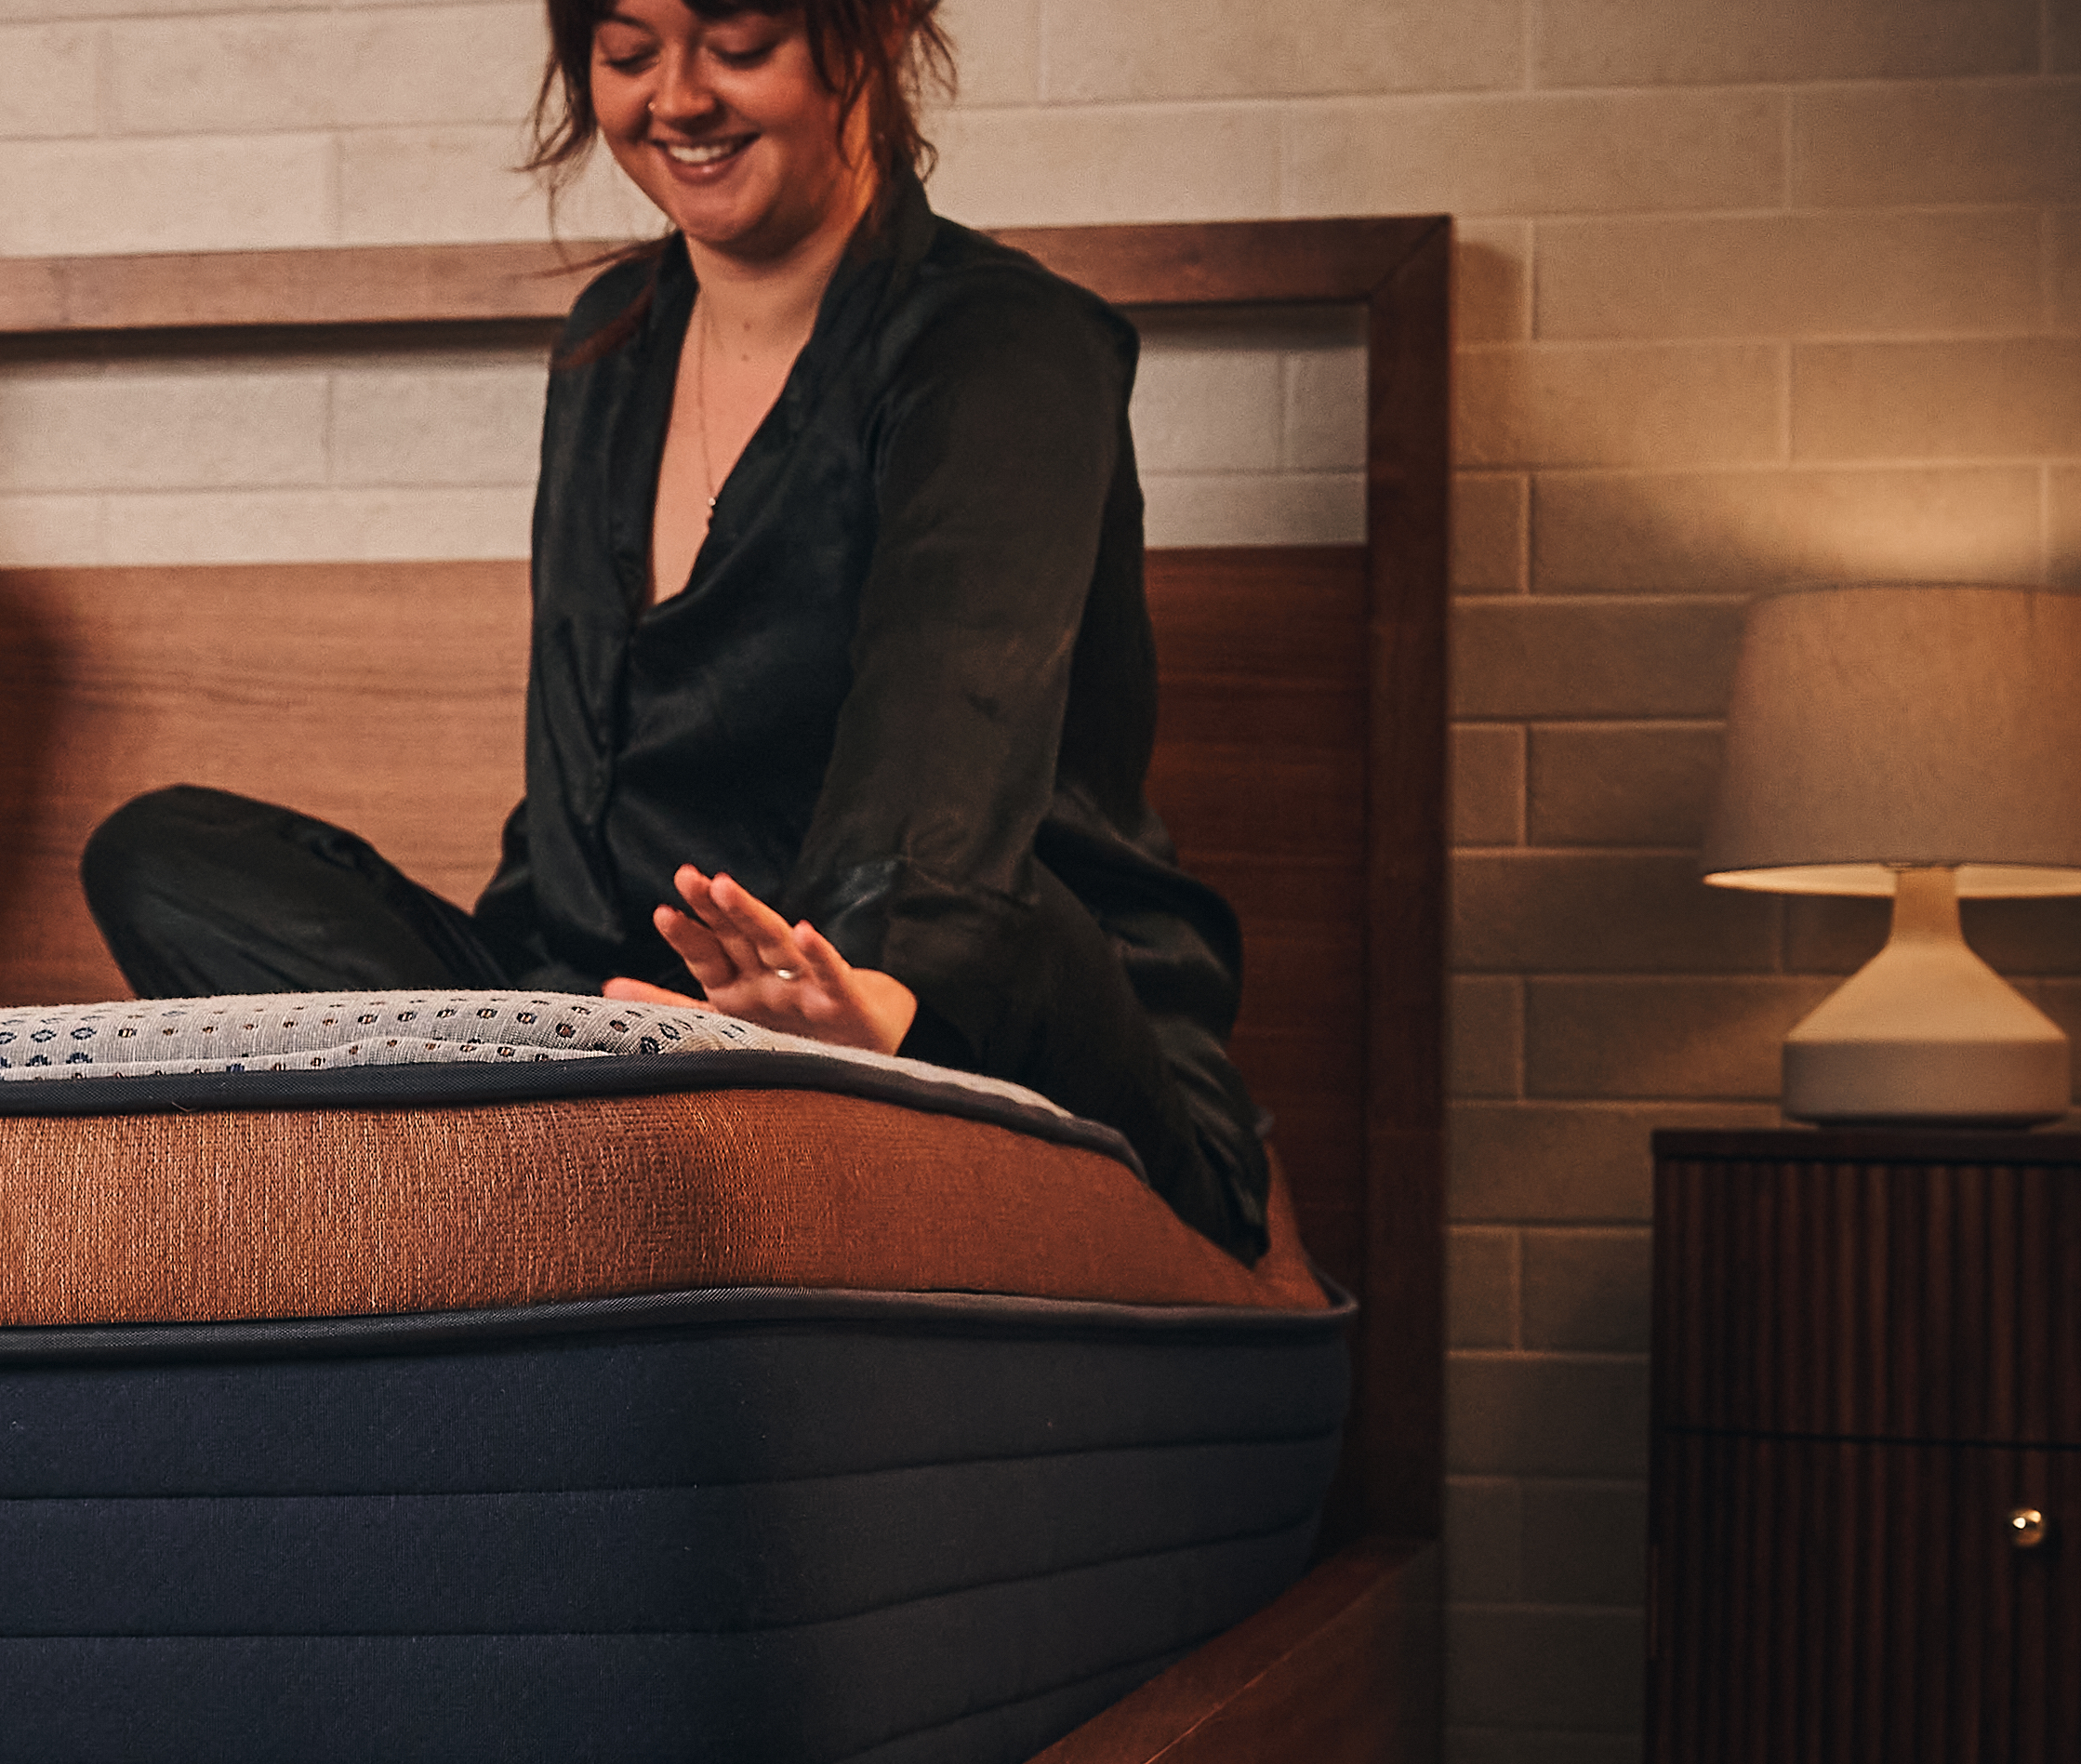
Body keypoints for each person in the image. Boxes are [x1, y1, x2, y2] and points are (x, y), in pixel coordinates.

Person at [77, 0, 1273, 1258]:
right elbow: (575, 783)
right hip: (626, 1020)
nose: (678, 100)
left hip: (937, 996)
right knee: (158, 853)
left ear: (857, 40)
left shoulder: (1003, 346)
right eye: (628, 53)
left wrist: (855, 988)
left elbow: (946, 734)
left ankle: (570, 1139)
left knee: (976, 923)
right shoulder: (608, 344)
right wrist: (511, 1010)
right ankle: (556, 1134)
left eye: (737, 44)